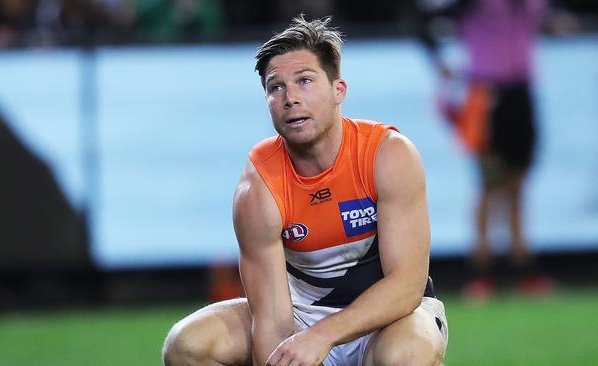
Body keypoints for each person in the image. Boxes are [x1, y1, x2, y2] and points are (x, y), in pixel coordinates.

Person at [163, 16, 448, 366]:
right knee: (187, 345)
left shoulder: (388, 154)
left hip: (391, 319)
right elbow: (270, 320)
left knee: (404, 355)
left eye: (305, 81)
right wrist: (299, 345)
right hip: (302, 316)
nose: (290, 98)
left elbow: (406, 286)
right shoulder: (258, 186)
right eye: (275, 87)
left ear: (338, 91)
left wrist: (323, 335)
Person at [414, 0, 553, 299]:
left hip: (522, 94)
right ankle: (481, 272)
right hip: (486, 97)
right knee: (489, 185)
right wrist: (440, 65)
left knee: (517, 184)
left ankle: (524, 268)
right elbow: (424, 21)